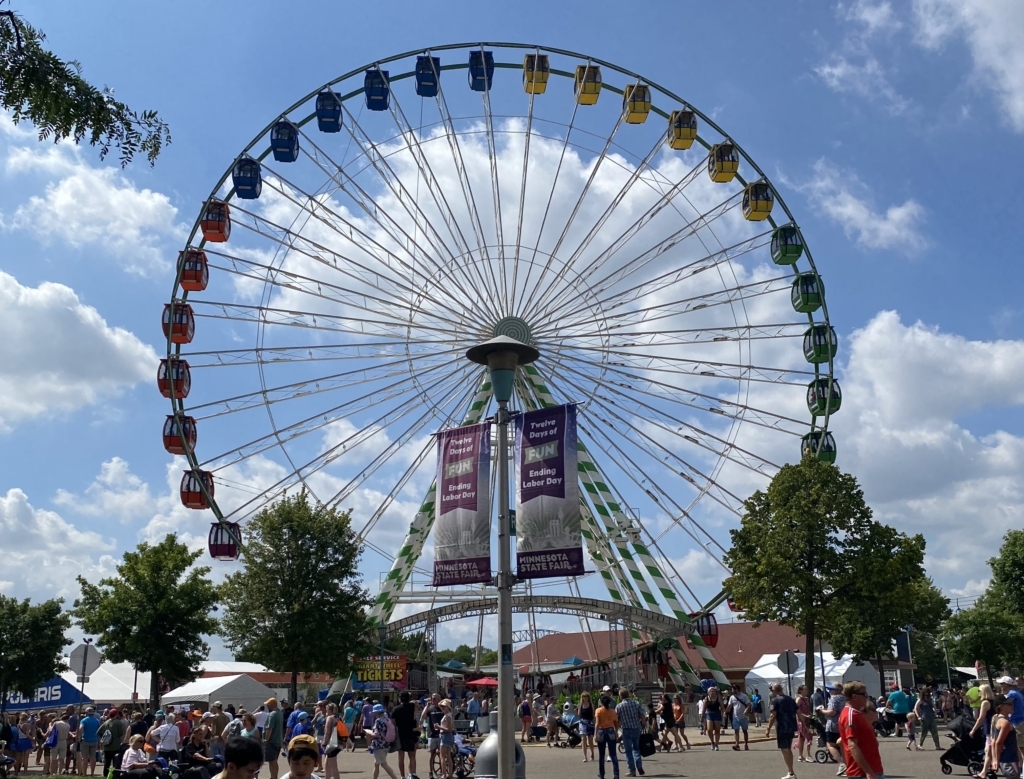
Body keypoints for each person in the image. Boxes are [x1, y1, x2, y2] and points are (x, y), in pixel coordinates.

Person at [840, 681, 884, 779]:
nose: (867, 697)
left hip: (872, 769)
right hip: (862, 773)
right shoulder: (850, 715)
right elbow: (852, 745)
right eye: (864, 694)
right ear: (855, 697)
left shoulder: (857, 714)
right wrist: (869, 772)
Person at [765, 682, 799, 779]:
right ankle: (790, 771)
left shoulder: (775, 700)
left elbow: (773, 715)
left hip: (782, 727)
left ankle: (791, 773)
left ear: (774, 690)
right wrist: (804, 725)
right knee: (788, 748)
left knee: (784, 749)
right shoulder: (790, 699)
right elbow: (798, 712)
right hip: (791, 726)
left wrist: (768, 728)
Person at [969, 684, 998, 778]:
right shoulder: (994, 701)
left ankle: (984, 772)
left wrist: (973, 730)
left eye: (979, 691)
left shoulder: (985, 703)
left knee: (988, 751)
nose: (978, 693)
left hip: (989, 729)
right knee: (988, 750)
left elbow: (981, 718)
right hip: (994, 727)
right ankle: (987, 770)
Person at [616, 689, 646, 777]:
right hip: (636, 728)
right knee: (636, 748)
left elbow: (616, 719)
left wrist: (618, 728)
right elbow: (642, 714)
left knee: (628, 750)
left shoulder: (619, 706)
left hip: (626, 729)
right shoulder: (635, 703)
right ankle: (639, 766)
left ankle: (632, 770)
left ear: (620, 696)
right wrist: (643, 723)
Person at [819, 683, 846, 774]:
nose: (829, 691)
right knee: (841, 744)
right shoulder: (845, 698)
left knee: (830, 744)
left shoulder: (834, 698)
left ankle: (842, 764)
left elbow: (831, 712)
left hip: (833, 724)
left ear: (837, 690)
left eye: (831, 689)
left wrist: (822, 710)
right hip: (843, 723)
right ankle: (847, 763)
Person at [991, 695, 1020, 779]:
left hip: (1007, 759)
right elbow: (998, 742)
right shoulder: (1004, 723)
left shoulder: (996, 718)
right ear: (1001, 707)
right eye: (1009, 704)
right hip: (1009, 759)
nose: (1012, 706)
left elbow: (993, 740)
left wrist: (995, 759)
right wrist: (996, 760)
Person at [392, 691, 418, 779]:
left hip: (400, 734)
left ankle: (402, 776)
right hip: (410, 733)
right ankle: (413, 774)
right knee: (412, 755)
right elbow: (414, 717)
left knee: (401, 756)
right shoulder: (411, 707)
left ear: (400, 699)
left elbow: (393, 723)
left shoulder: (395, 709)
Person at [997, 676, 1024, 761]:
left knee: (1021, 748)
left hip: (1017, 722)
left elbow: (1008, 709)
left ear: (1006, 684)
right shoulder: (1016, 693)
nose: (1000, 685)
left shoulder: (1011, 694)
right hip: (1019, 720)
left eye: (1002, 684)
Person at [99, 707, 129, 777]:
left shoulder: (106, 722)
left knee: (107, 761)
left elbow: (99, 732)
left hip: (106, 746)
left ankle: (105, 775)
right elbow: (121, 733)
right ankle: (114, 775)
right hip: (116, 745)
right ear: (116, 715)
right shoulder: (118, 722)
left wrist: (104, 738)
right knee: (116, 762)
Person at [595, 695, 619, 779]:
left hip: (601, 731)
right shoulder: (612, 711)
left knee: (602, 755)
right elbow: (616, 723)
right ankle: (616, 774)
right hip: (610, 730)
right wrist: (616, 731)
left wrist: (595, 734)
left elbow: (597, 723)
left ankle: (602, 774)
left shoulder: (598, 710)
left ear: (601, 703)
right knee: (613, 754)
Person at [263, 697, 285, 779]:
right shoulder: (279, 713)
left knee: (272, 761)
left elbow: (269, 728)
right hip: (278, 740)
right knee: (273, 760)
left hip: (272, 741)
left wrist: (266, 740)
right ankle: (273, 776)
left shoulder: (272, 714)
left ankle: (274, 777)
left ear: (273, 705)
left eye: (268, 705)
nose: (267, 707)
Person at [77, 706, 102, 776]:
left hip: (85, 740)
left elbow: (80, 728)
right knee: (93, 757)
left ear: (86, 713)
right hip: (94, 740)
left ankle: (84, 773)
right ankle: (92, 773)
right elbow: (99, 732)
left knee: (84, 758)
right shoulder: (97, 721)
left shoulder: (84, 720)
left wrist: (79, 737)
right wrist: (99, 741)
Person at [727, 684, 751, 751]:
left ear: (737, 689)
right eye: (732, 690)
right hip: (735, 717)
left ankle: (746, 744)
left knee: (745, 731)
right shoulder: (732, 697)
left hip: (743, 717)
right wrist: (725, 712)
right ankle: (737, 744)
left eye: (734, 690)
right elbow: (729, 705)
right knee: (736, 731)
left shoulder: (744, 696)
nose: (733, 691)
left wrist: (746, 710)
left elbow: (749, 704)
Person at [321, 703, 342, 779]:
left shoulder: (329, 718)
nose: (326, 711)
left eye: (327, 710)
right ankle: (327, 777)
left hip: (331, 743)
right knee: (327, 763)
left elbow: (327, 732)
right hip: (337, 742)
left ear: (330, 710)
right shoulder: (338, 717)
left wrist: (324, 743)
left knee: (333, 765)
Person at [794, 685, 813, 763]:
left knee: (802, 738)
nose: (806, 691)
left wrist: (811, 714)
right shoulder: (799, 699)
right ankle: (807, 755)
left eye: (807, 689)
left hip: (808, 720)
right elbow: (796, 711)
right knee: (807, 736)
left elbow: (807, 709)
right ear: (800, 690)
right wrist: (804, 716)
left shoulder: (806, 699)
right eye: (804, 690)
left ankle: (801, 756)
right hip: (801, 720)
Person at [437, 700, 455, 779]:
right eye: (442, 707)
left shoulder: (447, 716)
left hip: (445, 736)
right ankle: (450, 774)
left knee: (442, 756)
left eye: (444, 706)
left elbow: (449, 729)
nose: (442, 708)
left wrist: (438, 727)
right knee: (448, 756)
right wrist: (444, 701)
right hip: (448, 736)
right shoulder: (449, 715)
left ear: (448, 707)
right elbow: (439, 704)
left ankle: (444, 774)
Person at [578, 691, 596, 762]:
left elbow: (593, 715)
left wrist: (594, 723)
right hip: (582, 722)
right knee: (583, 739)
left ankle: (592, 753)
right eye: (584, 697)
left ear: (588, 697)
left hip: (590, 722)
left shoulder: (591, 705)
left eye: (586, 696)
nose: (585, 698)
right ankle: (585, 756)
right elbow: (579, 715)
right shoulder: (580, 705)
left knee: (590, 740)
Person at [704, 686, 723, 751]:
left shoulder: (718, 698)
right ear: (708, 692)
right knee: (709, 730)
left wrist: (724, 713)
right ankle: (712, 742)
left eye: (713, 691)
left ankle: (716, 744)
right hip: (709, 714)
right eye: (711, 691)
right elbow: (704, 708)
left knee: (717, 730)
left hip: (717, 714)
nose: (712, 692)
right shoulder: (706, 699)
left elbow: (722, 707)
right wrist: (702, 717)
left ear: (715, 692)